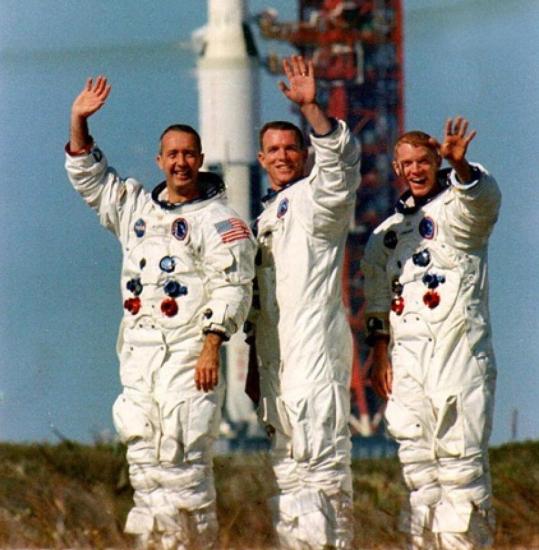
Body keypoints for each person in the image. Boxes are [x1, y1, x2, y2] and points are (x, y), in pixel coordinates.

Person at [65, 76, 256, 550]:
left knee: (183, 466)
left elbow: (232, 287)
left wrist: (212, 344)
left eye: (189, 154)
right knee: (147, 468)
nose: (181, 162)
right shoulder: (135, 211)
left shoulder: (222, 223)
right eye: (172, 154)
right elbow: (90, 178)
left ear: (201, 159)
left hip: (189, 357)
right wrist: (79, 120)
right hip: (139, 357)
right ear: (160, 161)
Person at [362, 117, 501, 549]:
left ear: (436, 160)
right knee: (421, 479)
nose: (416, 170)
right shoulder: (386, 235)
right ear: (397, 169)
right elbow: (378, 301)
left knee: (461, 475)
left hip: (458, 359)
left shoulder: (458, 212)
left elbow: (483, 203)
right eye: (406, 163)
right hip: (409, 367)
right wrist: (379, 353)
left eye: (424, 160)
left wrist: (462, 169)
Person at [245, 56, 361, 549]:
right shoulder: (264, 219)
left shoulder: (316, 200)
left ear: (303, 154)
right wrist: (253, 368)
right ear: (261, 158)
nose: (283, 156)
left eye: (291, 148)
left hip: (313, 357)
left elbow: (341, 166)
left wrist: (312, 109)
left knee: (322, 473)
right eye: (273, 149)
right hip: (277, 362)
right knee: (291, 482)